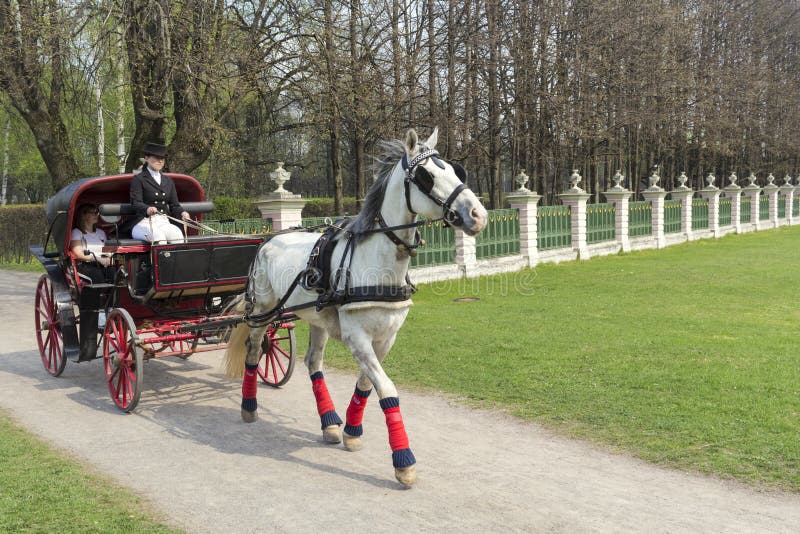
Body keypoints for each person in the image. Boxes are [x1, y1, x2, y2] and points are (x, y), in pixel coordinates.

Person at [130, 141, 190, 243]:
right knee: (159, 237)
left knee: (178, 235)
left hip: (163, 221)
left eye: (162, 158)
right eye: (156, 158)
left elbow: (174, 205)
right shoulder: (138, 179)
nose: (160, 161)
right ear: (146, 158)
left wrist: (182, 212)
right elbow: (135, 203)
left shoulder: (168, 181)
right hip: (143, 222)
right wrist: (147, 209)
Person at [70, 203, 115, 284]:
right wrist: (99, 259)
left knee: (115, 275)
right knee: (97, 276)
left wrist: (110, 256)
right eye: (93, 213)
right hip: (85, 264)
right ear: (83, 216)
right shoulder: (76, 232)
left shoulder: (101, 232)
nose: (97, 215)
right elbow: (79, 254)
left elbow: (107, 249)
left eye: (97, 212)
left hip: (103, 262)